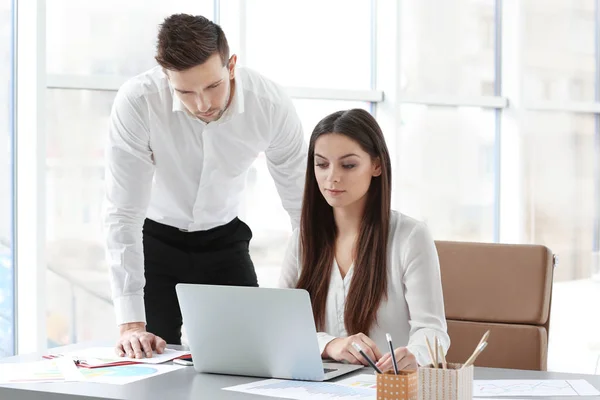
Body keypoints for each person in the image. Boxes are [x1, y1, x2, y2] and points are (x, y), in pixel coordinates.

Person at [104, 14, 307, 359]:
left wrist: (310, 298)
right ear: (167, 78)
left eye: (212, 86)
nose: (202, 105)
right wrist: (130, 324)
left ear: (231, 66)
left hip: (224, 241)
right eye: (185, 91)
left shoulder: (269, 105)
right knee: (149, 361)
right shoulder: (138, 101)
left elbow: (302, 210)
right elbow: (123, 213)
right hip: (154, 242)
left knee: (251, 356)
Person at [279, 109, 449, 371]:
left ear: (377, 165)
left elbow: (432, 330)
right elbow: (279, 327)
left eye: (348, 165)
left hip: (386, 388)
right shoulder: (302, 239)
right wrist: (330, 344)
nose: (332, 177)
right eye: (322, 164)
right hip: (319, 388)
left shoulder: (410, 237)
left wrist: (414, 355)